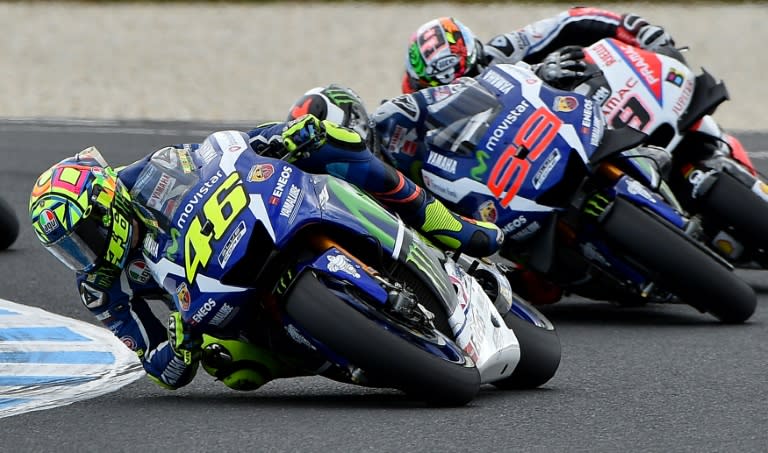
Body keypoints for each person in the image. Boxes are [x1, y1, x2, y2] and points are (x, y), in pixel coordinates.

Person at [28, 116, 502, 391]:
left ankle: (450, 227)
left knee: (332, 144)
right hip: (217, 302)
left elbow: (221, 151)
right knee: (231, 367)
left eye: (81, 235)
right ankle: (362, 355)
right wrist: (177, 345)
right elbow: (162, 372)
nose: (81, 253)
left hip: (247, 226)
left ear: (105, 207)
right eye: (66, 248)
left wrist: (280, 135)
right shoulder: (100, 287)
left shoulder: (146, 173)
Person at [401, 7, 675, 93]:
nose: (454, 91)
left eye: (464, 79)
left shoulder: (501, 51)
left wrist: (634, 29)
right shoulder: (415, 116)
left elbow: (569, 21)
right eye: (435, 88)